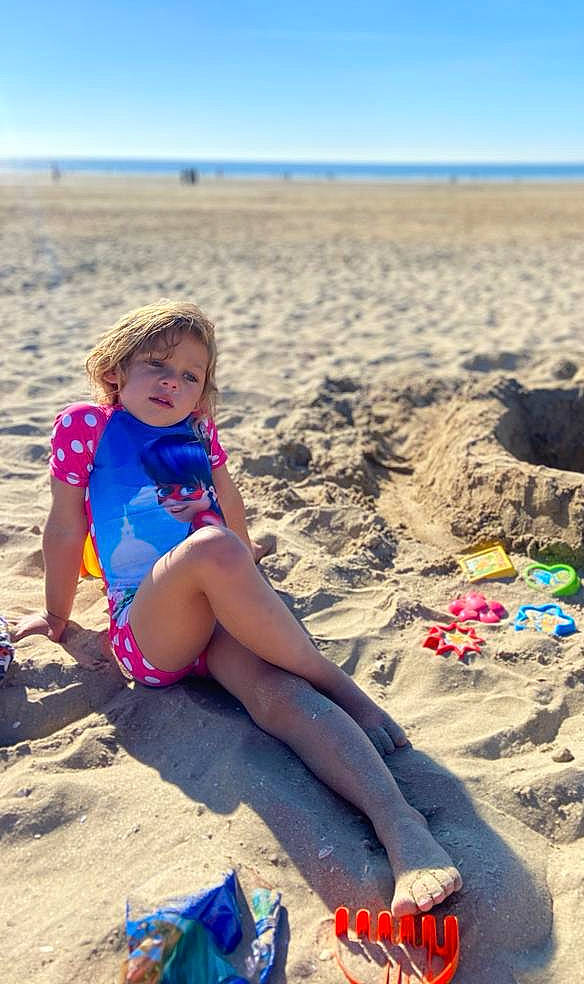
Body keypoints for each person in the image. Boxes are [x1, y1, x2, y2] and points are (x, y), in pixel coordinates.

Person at [11, 300, 462, 918]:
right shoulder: (86, 426)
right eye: (157, 365)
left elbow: (226, 500)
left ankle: (403, 830)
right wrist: (58, 617)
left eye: (191, 375)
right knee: (216, 549)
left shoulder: (198, 432)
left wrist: (244, 555)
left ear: (203, 391)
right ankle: (333, 678)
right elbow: (65, 529)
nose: (174, 382)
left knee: (279, 698)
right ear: (116, 371)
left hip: (218, 614)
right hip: (149, 630)